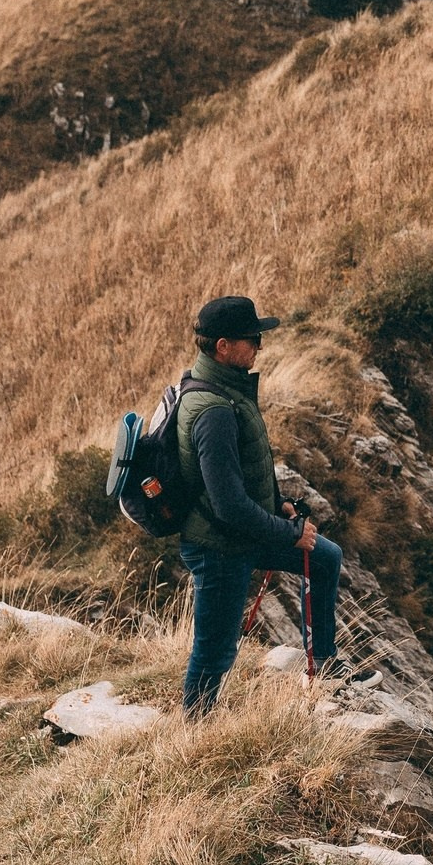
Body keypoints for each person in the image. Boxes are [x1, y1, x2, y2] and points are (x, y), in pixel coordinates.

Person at [176, 294, 341, 712]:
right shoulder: (213, 410)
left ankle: (323, 667)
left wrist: (279, 503)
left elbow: (242, 471)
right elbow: (229, 504)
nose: (259, 347)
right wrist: (289, 533)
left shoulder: (225, 388)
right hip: (218, 547)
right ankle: (195, 729)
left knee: (326, 558)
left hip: (238, 535)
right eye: (252, 339)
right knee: (214, 652)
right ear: (223, 346)